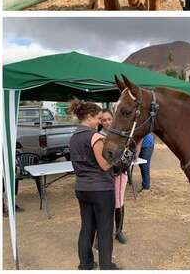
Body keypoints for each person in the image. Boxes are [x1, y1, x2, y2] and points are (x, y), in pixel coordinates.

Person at [69, 100, 117, 270]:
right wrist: (117, 158)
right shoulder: (95, 136)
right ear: (89, 117)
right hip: (101, 189)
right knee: (104, 229)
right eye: (97, 118)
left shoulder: (73, 136)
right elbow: (104, 165)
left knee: (87, 227)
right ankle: (106, 266)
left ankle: (86, 264)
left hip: (82, 187)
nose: (99, 122)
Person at [98, 109, 128, 244]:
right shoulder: (98, 136)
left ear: (113, 118)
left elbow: (128, 153)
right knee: (104, 205)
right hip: (103, 175)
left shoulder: (122, 134)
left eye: (109, 119)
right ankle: (104, 233)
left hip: (119, 174)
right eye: (103, 120)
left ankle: (119, 231)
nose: (107, 122)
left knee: (118, 203)